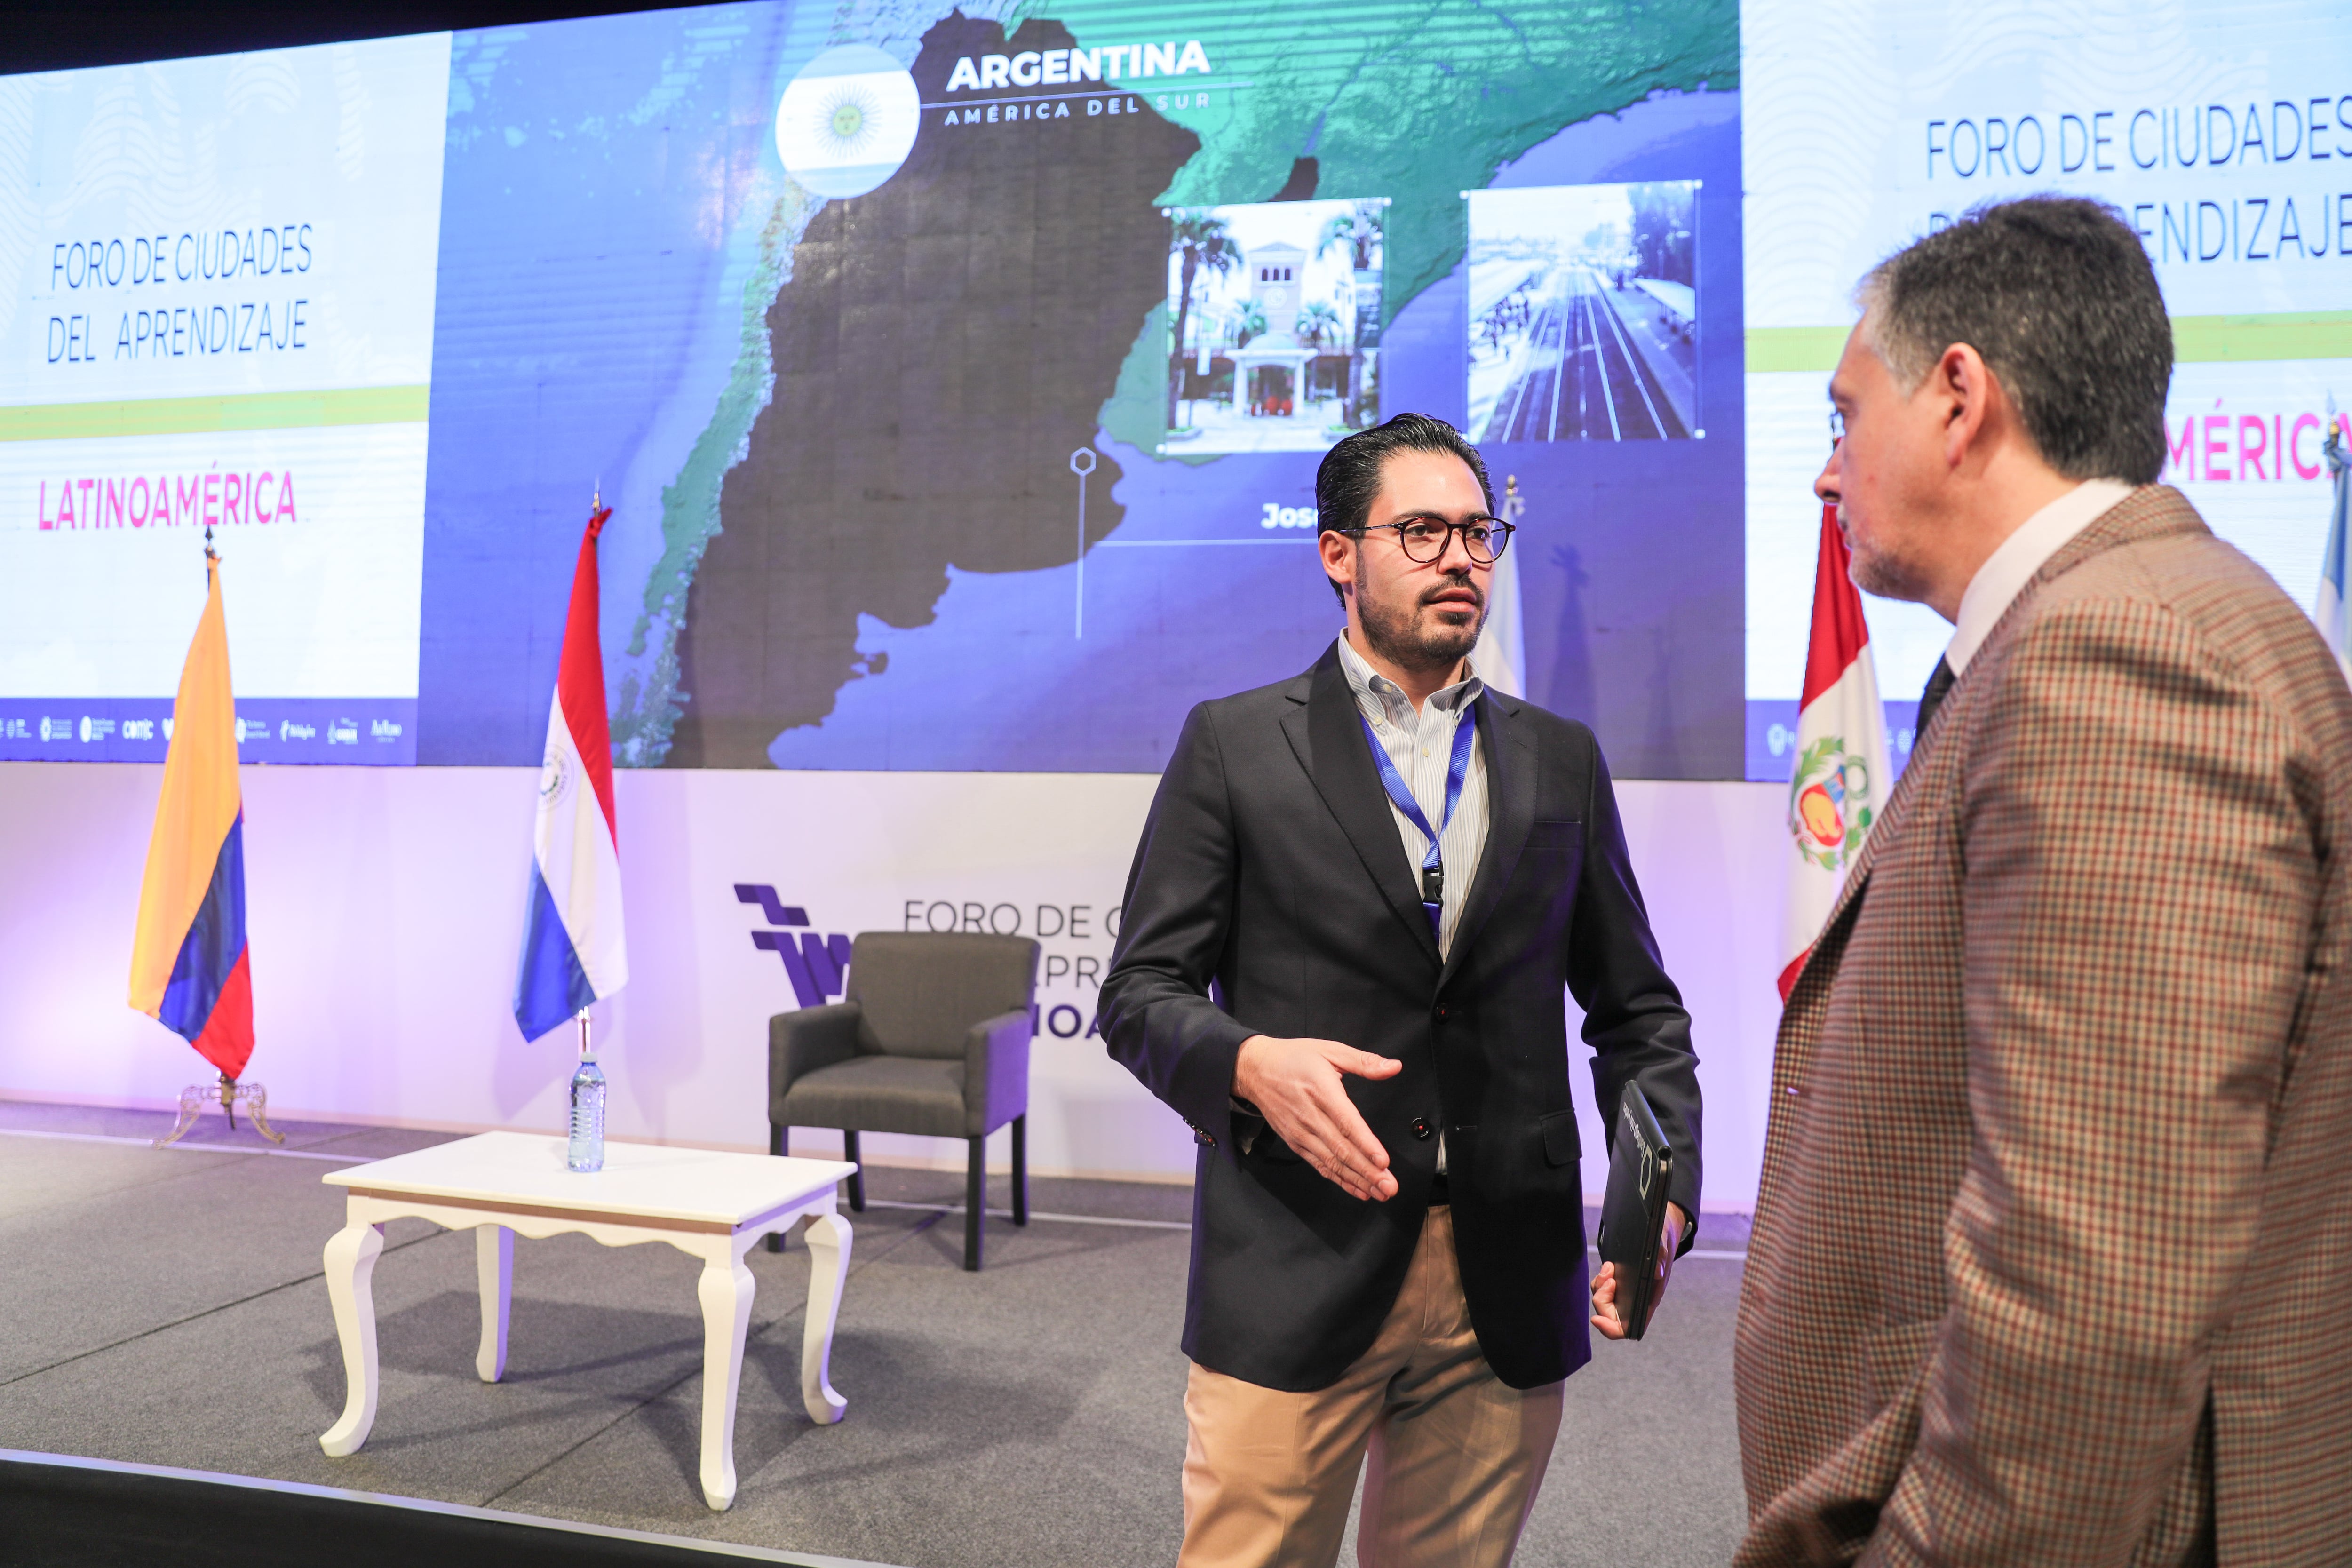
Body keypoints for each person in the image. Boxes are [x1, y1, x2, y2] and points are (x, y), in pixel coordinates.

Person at [1736, 196, 2352, 1565]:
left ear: (1959, 398)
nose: (1828, 476)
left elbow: (2096, 1269)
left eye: (1844, 417)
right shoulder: (2123, 620)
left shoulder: (2117, 653)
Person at [1099, 413, 1703, 1568]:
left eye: (1478, 533)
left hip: (1505, 1276)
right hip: (1295, 1256)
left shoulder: (1560, 757)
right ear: (1338, 553)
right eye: (1421, 531)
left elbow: (1636, 1011)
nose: (1460, 558)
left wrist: (1660, 1189)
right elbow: (1140, 990)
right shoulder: (1234, 744)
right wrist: (1246, 1062)